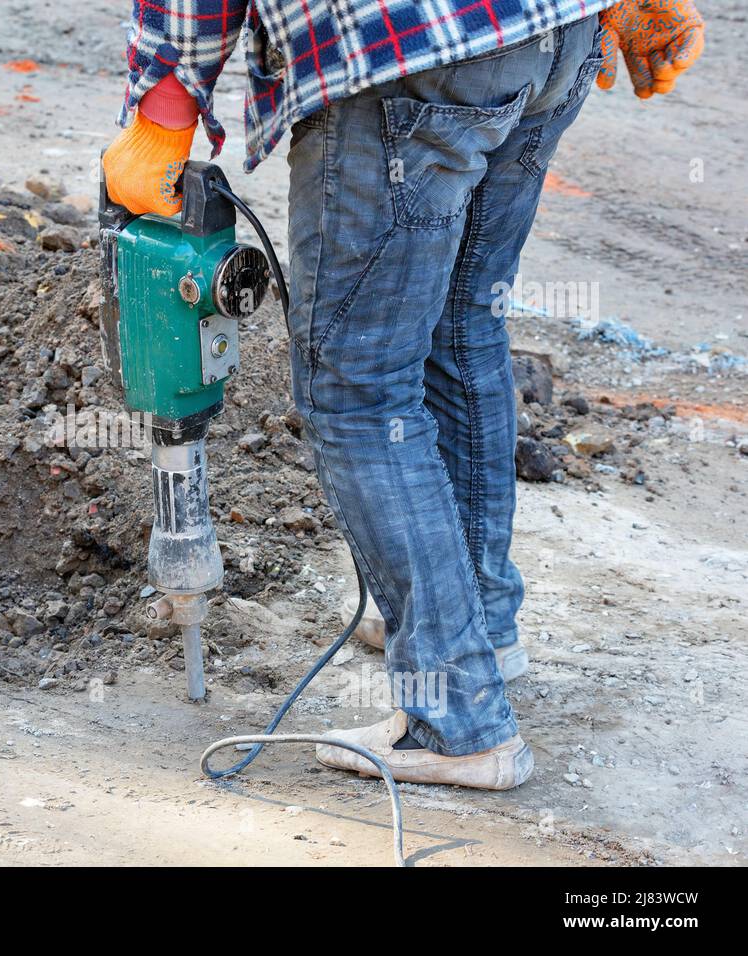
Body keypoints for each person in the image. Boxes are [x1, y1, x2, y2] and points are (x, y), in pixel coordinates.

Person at [102, 0, 703, 788]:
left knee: (355, 387)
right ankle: (479, 627)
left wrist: (167, 101)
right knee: (461, 326)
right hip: (554, 34)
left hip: (409, 53)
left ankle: (456, 717)